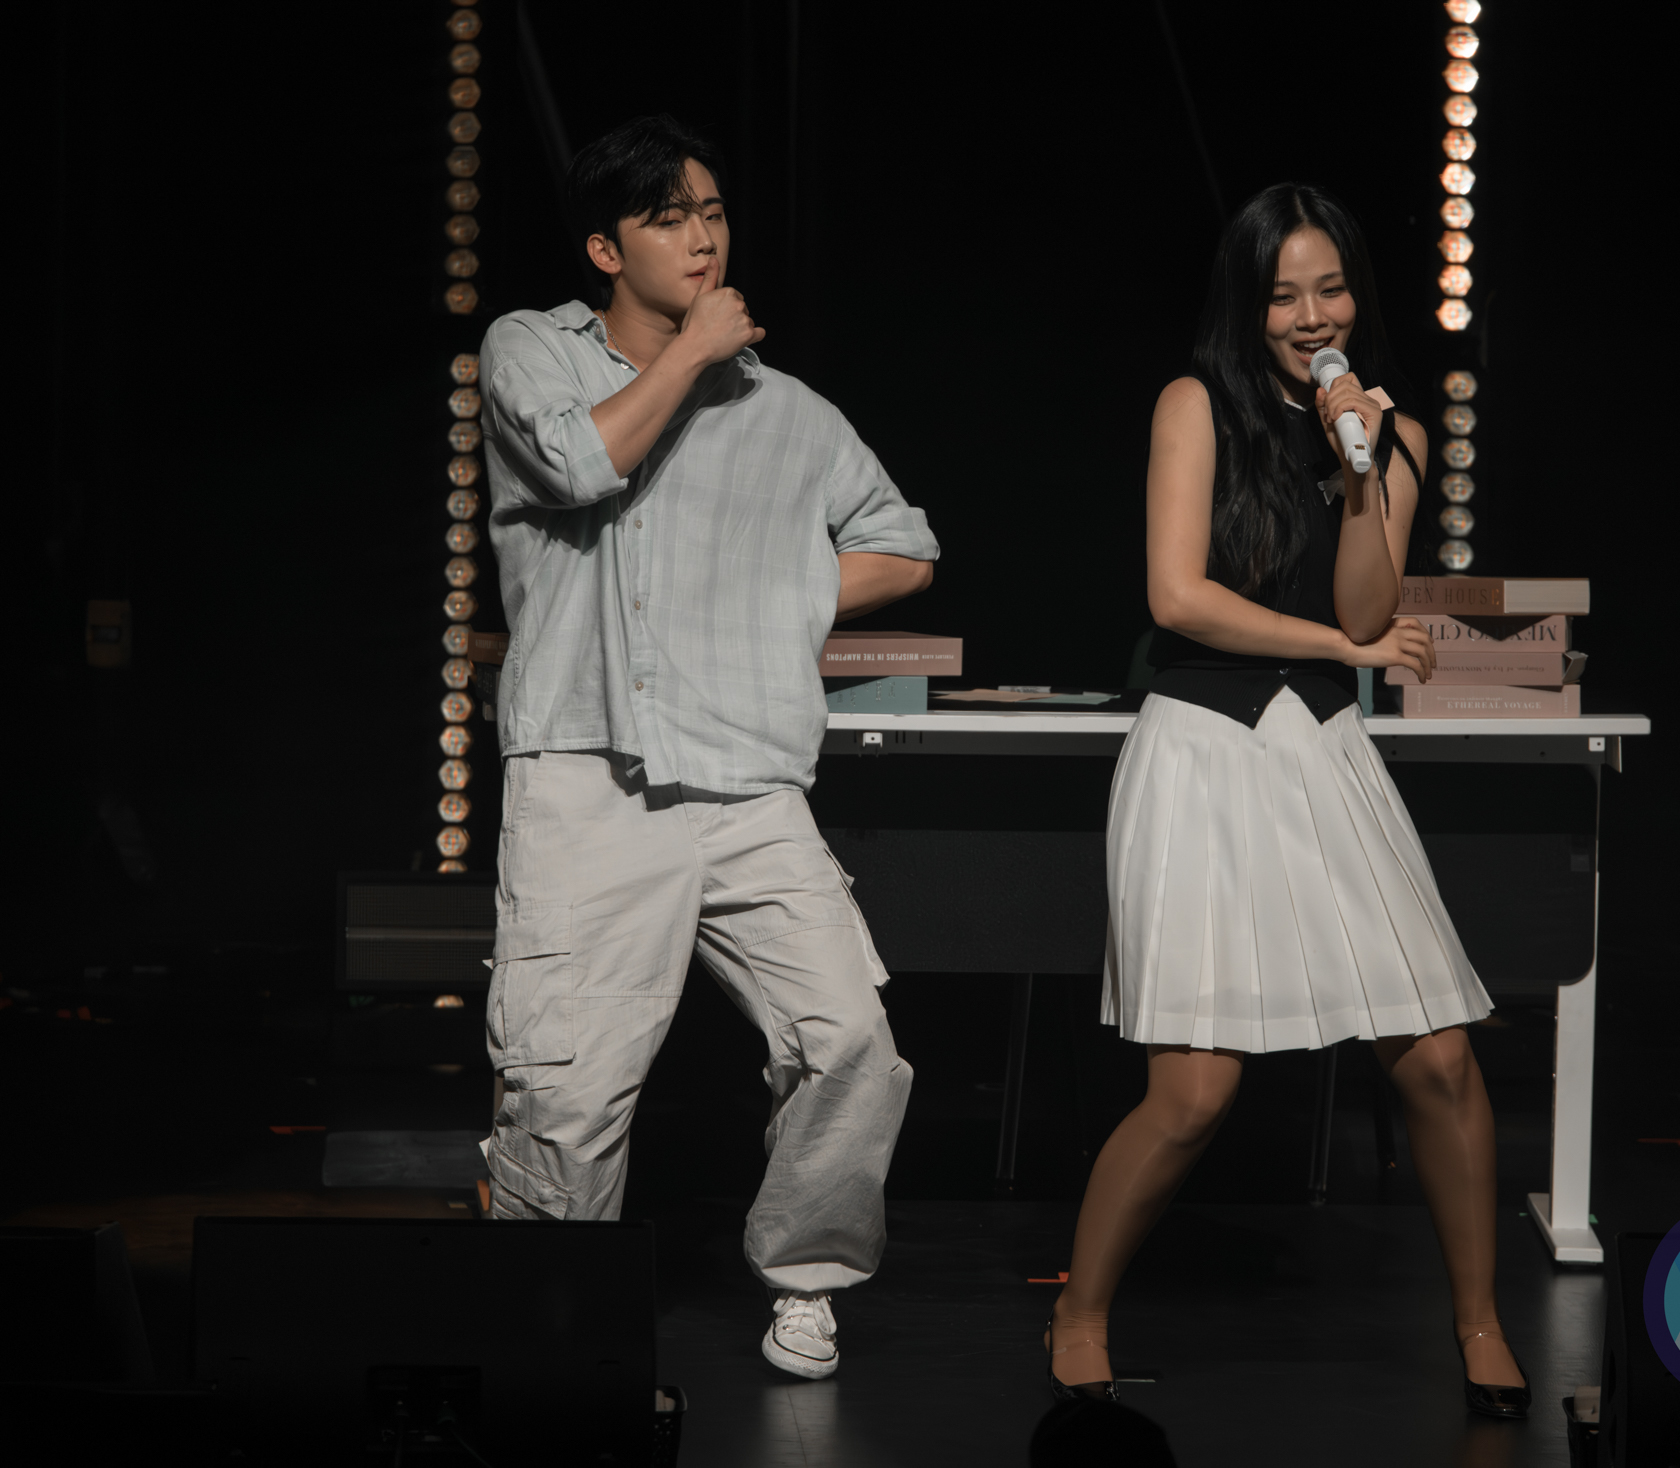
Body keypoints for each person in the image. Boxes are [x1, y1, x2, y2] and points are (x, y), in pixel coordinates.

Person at [1044, 183, 1530, 1420]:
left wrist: (1363, 469)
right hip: (1201, 748)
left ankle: (1479, 1321)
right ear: (1245, 304)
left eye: (1331, 290)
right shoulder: (1193, 403)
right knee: (1193, 1093)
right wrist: (1342, 648)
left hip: (1319, 747)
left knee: (1438, 1057)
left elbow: (1368, 604)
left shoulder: (1391, 431)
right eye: (1284, 296)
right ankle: (1081, 1310)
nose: (1313, 318)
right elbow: (1177, 597)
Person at [475, 115, 938, 1382]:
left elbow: (903, 545)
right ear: (604, 248)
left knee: (849, 1039)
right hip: (589, 773)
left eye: (713, 212)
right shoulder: (531, 350)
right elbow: (579, 463)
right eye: (669, 216)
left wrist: (770, 590)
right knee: (568, 1086)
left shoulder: (787, 411)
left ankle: (809, 1272)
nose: (702, 236)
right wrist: (691, 352)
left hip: (746, 780)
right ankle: (547, 1320)